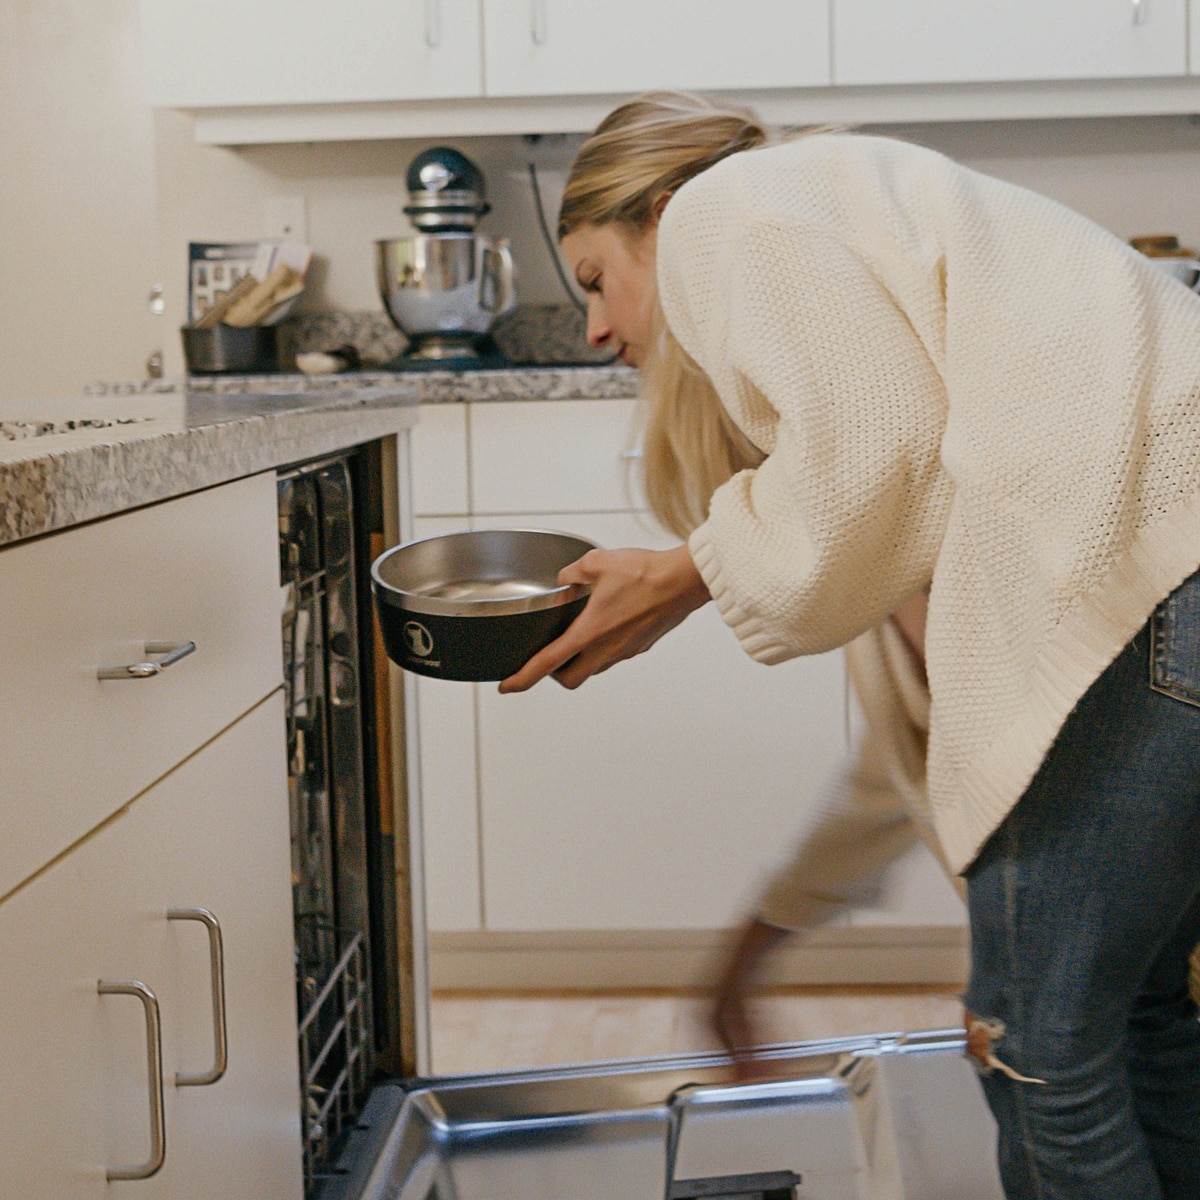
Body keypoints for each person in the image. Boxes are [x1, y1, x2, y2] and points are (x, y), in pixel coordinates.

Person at [498, 91, 1200, 1199]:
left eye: (593, 277)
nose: (591, 326)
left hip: (1150, 583)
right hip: (1170, 575)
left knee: (1039, 1052)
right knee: (1140, 1013)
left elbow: (878, 449)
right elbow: (890, 495)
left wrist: (685, 572)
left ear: (660, 213)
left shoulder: (725, 211)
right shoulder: (855, 233)